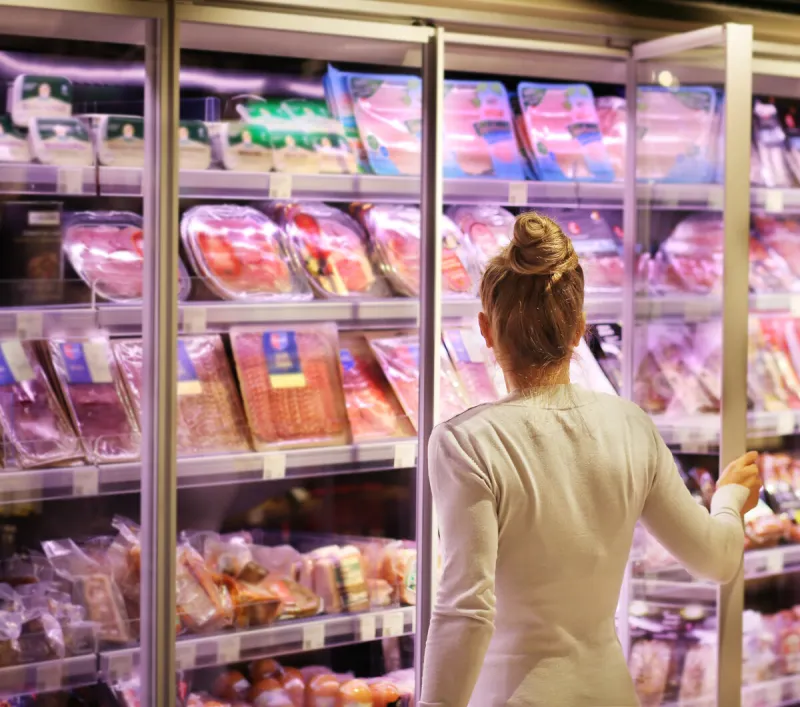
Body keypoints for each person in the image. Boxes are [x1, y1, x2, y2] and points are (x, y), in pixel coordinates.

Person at [419, 212, 761, 707]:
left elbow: (465, 611)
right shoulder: (629, 425)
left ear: (486, 331)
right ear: (579, 330)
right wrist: (728, 498)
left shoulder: (466, 442)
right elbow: (716, 558)